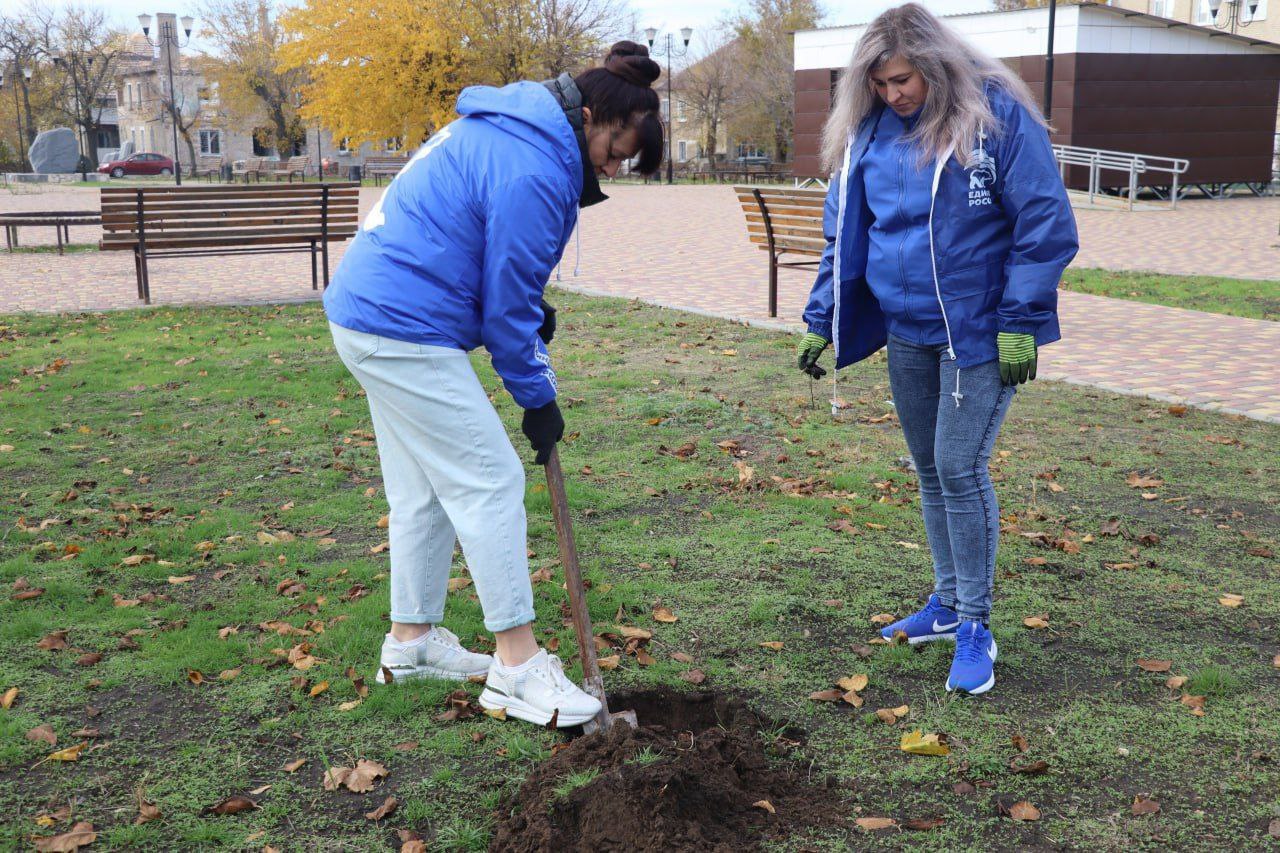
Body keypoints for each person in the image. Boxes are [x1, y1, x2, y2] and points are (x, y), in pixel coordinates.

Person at [323, 42, 664, 726]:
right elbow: (507, 310)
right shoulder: (537, 166)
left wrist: (529, 312)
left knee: (422, 488)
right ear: (593, 114)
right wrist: (538, 398)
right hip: (401, 324)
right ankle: (516, 666)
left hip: (369, 311)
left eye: (624, 162)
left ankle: (412, 643)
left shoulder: (514, 128)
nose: (612, 167)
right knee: (490, 479)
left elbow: (489, 258)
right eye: (615, 149)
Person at [796, 4, 1078, 696]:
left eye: (905, 80)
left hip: (979, 331)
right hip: (906, 332)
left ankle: (977, 623)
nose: (895, 95)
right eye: (882, 83)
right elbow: (845, 231)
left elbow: (1044, 219)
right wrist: (822, 315)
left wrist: (1022, 316)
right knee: (928, 468)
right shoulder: (867, 135)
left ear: (935, 64)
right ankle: (947, 606)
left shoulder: (995, 116)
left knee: (959, 465)